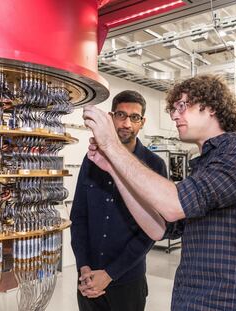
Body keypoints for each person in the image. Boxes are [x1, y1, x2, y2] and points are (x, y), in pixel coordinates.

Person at [82, 74, 236, 310]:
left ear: (212, 107)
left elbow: (174, 205)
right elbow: (160, 228)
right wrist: (112, 169)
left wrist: (111, 145)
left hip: (227, 303)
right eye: (173, 109)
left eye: (182, 106)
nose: (175, 115)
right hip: (188, 301)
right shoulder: (203, 167)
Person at [70, 90, 167, 311]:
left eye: (134, 117)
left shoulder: (154, 165)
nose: (126, 123)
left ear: (142, 122)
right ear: (111, 117)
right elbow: (79, 215)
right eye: (121, 115)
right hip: (88, 278)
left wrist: (110, 274)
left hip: (127, 281)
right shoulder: (92, 159)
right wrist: (83, 266)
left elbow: (152, 231)